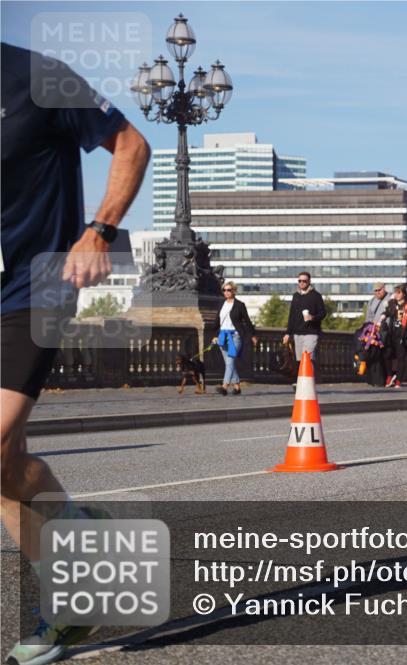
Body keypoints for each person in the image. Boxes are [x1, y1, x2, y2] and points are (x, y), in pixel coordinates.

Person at [1, 43, 150, 664]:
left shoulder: (36, 77)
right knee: (5, 464)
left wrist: (100, 230)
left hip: (31, 288)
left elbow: (131, 144)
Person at [211, 282, 258, 395]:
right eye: (224, 290)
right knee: (228, 363)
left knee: (231, 360)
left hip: (235, 336)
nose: (226, 292)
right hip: (222, 336)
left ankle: (224, 386)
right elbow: (217, 321)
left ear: (234, 291)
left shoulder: (240, 305)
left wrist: (253, 335)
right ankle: (237, 387)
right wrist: (214, 336)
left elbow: (247, 321)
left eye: (229, 290)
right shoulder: (221, 304)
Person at [282, 271, 325, 377]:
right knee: (299, 360)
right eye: (300, 281)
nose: (302, 283)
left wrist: (313, 317)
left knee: (308, 358)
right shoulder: (296, 296)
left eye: (304, 281)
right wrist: (288, 333)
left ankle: (309, 384)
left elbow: (323, 313)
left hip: (311, 332)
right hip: (297, 333)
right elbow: (291, 316)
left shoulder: (316, 296)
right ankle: (301, 384)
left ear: (309, 281)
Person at [383, 284, 407, 388]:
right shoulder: (392, 303)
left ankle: (398, 380)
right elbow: (387, 312)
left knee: (401, 358)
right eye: (395, 292)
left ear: (404, 294)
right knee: (387, 354)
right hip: (392, 334)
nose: (396, 294)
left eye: (398, 292)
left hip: (403, 336)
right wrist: (383, 316)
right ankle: (390, 376)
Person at [362, 282, 392, 387]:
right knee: (372, 354)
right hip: (373, 331)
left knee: (384, 354)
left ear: (384, 289)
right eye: (375, 291)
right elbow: (368, 317)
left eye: (379, 290)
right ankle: (373, 378)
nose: (377, 292)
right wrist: (367, 330)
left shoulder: (390, 299)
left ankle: (385, 377)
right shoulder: (372, 301)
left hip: (385, 331)